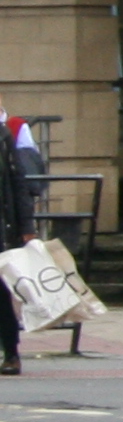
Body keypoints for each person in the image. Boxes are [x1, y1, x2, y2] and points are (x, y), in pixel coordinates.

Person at [0, 111, 34, 375]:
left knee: (1, 293)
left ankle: (11, 352)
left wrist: (26, 226)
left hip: (2, 227)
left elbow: (17, 182)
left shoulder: (3, 135)